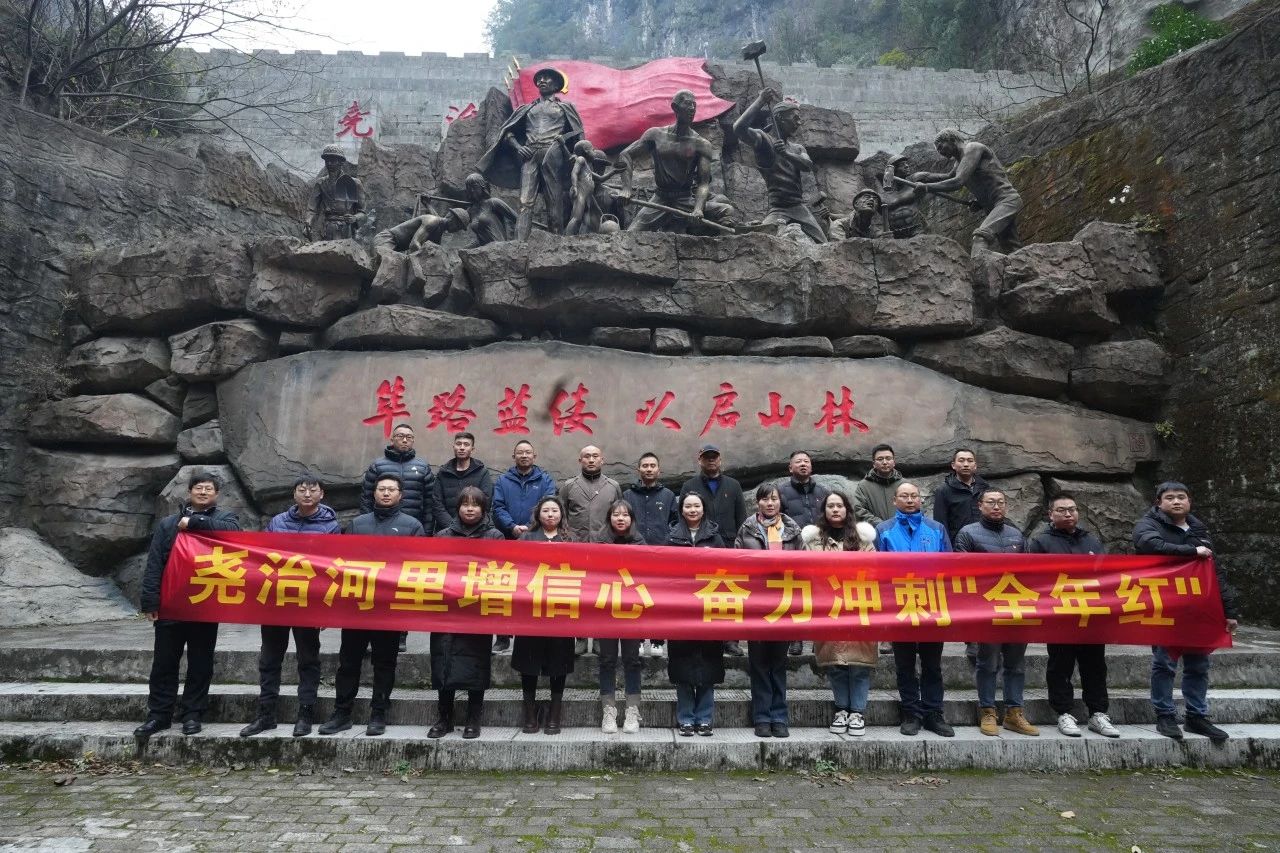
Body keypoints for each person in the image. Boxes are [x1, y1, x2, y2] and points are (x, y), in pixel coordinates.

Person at [134, 470, 242, 737]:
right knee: (164, 663)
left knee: (200, 663)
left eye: (208, 489)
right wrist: (150, 601)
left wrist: (194, 523)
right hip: (171, 603)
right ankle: (158, 715)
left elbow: (233, 534)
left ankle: (193, 714)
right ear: (189, 492)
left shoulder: (226, 519)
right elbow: (155, 563)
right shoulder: (168, 524)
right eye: (198, 488)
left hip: (204, 604)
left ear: (216, 495)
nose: (203, 492)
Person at [318, 473, 424, 737]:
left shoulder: (412, 526)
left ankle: (379, 713)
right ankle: (342, 713)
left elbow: (419, 564)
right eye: (381, 489)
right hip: (357, 606)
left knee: (385, 663)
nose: (386, 493)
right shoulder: (357, 523)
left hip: (389, 609)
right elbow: (342, 562)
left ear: (401, 495)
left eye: (391, 490)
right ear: (373, 493)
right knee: (348, 662)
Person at [1134, 481, 1239, 742]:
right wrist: (1192, 551)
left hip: (1198, 609)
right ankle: (1165, 714)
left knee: (1198, 664)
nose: (1176, 502)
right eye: (1169, 498)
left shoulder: (1199, 528)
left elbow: (1215, 571)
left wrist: (1229, 610)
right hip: (1164, 605)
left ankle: (1196, 716)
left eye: (1181, 497)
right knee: (1164, 662)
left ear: (1190, 501)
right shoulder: (1148, 525)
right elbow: (1152, 546)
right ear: (1159, 502)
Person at [240, 474, 340, 739]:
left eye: (312, 490)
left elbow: (332, 568)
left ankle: (305, 714)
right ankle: (266, 714)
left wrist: (324, 608)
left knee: (308, 659)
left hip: (308, 602)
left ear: (321, 494)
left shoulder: (331, 526)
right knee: (270, 658)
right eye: (302, 490)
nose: (307, 494)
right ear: (294, 494)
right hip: (276, 601)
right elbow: (262, 558)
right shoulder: (277, 522)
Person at [1027, 492, 1119, 739]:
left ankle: (1098, 713)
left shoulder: (1091, 540)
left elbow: (1106, 573)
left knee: (1095, 666)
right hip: (1059, 615)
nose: (1068, 514)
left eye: (1072, 509)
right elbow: (1031, 578)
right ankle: (1064, 713)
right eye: (1062, 510)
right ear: (1050, 514)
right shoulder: (1040, 542)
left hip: (1090, 614)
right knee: (1060, 665)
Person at [955, 489, 1038, 737]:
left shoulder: (1016, 535)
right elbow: (960, 570)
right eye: (991, 502)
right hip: (985, 609)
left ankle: (1014, 713)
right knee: (987, 663)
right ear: (980, 505)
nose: (996, 506)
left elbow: (1028, 571)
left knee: (1016, 664)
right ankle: (988, 711)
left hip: (1015, 608)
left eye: (1001, 502)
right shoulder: (967, 533)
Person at [876, 481, 954, 738]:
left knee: (933, 664)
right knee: (904, 664)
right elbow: (876, 570)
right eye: (904, 496)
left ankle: (934, 713)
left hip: (932, 604)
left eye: (914, 496)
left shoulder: (936, 529)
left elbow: (950, 567)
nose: (910, 500)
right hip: (899, 606)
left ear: (921, 500)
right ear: (895, 500)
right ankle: (910, 712)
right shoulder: (884, 530)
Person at [477, 66, 584, 240]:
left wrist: (578, 159)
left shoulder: (565, 107)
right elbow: (507, 132)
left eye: (546, 77)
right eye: (539, 78)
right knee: (524, 201)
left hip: (553, 153)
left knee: (554, 200)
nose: (541, 80)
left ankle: (556, 242)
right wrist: (518, 147)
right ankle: (520, 243)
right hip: (530, 155)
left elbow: (579, 136)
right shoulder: (526, 109)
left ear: (556, 84)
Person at [429, 486, 502, 740]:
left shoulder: (494, 537)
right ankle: (444, 717)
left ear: (483, 509)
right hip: (446, 611)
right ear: (457, 507)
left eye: (475, 504)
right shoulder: (442, 536)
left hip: (478, 611)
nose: (470, 509)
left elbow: (500, 574)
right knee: (443, 662)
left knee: (476, 664)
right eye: (465, 504)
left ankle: (474, 717)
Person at [802, 491, 878, 736]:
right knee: (835, 663)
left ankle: (857, 712)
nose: (835, 510)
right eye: (831, 506)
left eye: (840, 506)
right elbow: (806, 571)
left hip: (858, 607)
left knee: (859, 663)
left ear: (847, 510)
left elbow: (875, 569)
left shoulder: (864, 541)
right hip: (828, 609)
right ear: (824, 511)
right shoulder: (813, 542)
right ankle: (841, 709)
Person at [616, 89, 737, 234]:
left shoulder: (701, 144)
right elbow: (625, 155)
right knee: (630, 235)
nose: (692, 108)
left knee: (726, 210)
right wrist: (626, 188)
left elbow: (703, 183)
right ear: (675, 107)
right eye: (688, 104)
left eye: (694, 105)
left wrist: (698, 209)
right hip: (660, 199)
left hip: (685, 200)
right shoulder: (656, 135)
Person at [735, 484, 803, 738]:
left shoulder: (793, 530)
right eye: (765, 499)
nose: (770, 503)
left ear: (780, 503)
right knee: (759, 663)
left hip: (783, 603)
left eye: (774, 499)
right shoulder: (747, 528)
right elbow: (736, 562)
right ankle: (762, 717)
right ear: (758, 503)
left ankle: (779, 716)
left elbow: (805, 566)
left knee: (778, 663)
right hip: (756, 604)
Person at [513, 496, 578, 734]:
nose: (550, 515)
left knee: (558, 663)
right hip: (531, 610)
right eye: (546, 511)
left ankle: (554, 713)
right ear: (538, 514)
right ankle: (530, 713)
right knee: (528, 662)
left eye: (555, 511)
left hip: (561, 610)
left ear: (561, 514)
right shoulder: (526, 538)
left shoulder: (571, 540)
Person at [732, 88, 826, 243]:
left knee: (823, 243)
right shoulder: (763, 139)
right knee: (762, 243)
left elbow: (807, 165)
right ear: (780, 118)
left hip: (799, 207)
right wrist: (761, 100)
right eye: (795, 118)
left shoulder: (797, 148)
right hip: (778, 208)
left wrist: (786, 154)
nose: (799, 122)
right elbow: (738, 129)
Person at [665, 492, 724, 736]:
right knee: (683, 667)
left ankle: (705, 718)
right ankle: (686, 718)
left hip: (709, 609)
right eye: (687, 506)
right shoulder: (671, 537)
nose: (692, 510)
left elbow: (725, 570)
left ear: (703, 509)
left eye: (696, 506)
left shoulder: (715, 536)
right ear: (681, 509)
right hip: (680, 611)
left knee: (708, 666)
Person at [909, 129, 1023, 254]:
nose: (940, 152)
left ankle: (978, 270)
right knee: (1012, 248)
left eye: (941, 146)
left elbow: (957, 181)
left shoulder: (973, 148)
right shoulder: (958, 164)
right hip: (993, 207)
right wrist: (922, 177)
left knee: (980, 237)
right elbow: (948, 177)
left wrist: (927, 187)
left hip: (1006, 201)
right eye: (938, 150)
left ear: (951, 139)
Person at [680, 444, 747, 655]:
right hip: (698, 546)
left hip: (728, 545)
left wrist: (740, 547)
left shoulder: (733, 485)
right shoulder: (689, 485)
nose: (711, 461)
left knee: (729, 593)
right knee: (701, 591)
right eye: (706, 457)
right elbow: (681, 516)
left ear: (720, 460)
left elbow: (741, 519)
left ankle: (731, 639)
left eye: (714, 457)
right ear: (699, 460)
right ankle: (701, 633)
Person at [491, 439, 557, 653]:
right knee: (505, 588)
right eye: (520, 452)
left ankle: (529, 631)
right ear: (514, 456)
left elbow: (549, 505)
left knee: (532, 588)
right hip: (508, 540)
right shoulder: (503, 480)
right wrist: (512, 527)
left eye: (528, 452)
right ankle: (502, 636)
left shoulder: (545, 480)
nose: (524, 456)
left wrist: (531, 528)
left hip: (536, 542)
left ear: (534, 456)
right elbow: (498, 507)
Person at [559, 444, 623, 657]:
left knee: (600, 595)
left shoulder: (613, 486)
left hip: (604, 548)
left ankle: (597, 636)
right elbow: (562, 516)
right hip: (575, 549)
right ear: (580, 461)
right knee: (578, 595)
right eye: (587, 456)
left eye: (595, 456)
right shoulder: (569, 486)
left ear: (602, 460)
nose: (591, 460)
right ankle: (579, 636)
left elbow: (619, 515)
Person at [593, 500, 648, 734]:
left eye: (625, 514)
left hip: (632, 609)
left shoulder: (640, 541)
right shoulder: (598, 540)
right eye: (616, 514)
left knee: (632, 659)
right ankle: (609, 710)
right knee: (606, 659)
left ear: (632, 518)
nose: (621, 518)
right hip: (605, 608)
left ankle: (632, 710)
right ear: (609, 517)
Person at [622, 452, 676, 658]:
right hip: (633, 554)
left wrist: (667, 541)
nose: (649, 469)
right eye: (645, 465)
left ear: (659, 470)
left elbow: (674, 522)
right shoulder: (627, 496)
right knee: (634, 597)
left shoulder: (669, 495)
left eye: (653, 465)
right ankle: (636, 639)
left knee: (657, 599)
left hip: (659, 554)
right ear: (639, 470)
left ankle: (656, 639)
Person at [360, 422, 440, 534]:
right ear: (392, 440)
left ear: (413, 441)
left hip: (414, 527)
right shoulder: (377, 466)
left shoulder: (423, 467)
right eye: (400, 436)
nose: (405, 440)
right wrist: (366, 526)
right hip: (380, 527)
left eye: (409, 437)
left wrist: (426, 531)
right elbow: (366, 499)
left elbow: (429, 503)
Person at [432, 432, 494, 532]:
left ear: (472, 449)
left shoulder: (482, 472)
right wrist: (452, 527)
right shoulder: (443, 473)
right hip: (447, 530)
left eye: (466, 444)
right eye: (458, 444)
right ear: (453, 447)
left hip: (476, 531)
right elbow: (437, 503)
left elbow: (485, 502)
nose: (461, 447)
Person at [306, 144, 364, 241]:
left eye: (333, 160)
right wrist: (308, 222)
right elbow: (312, 209)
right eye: (327, 161)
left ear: (341, 162)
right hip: (327, 229)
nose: (329, 163)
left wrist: (355, 218)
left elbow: (363, 213)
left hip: (347, 229)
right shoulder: (320, 183)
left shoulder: (354, 183)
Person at [932, 448, 989, 547]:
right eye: (961, 460)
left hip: (985, 544)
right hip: (958, 545)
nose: (966, 464)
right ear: (953, 465)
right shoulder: (944, 490)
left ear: (975, 466)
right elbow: (940, 523)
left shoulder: (985, 488)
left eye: (970, 461)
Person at [852, 444, 903, 528]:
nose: (885, 462)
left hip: (902, 533)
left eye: (888, 458)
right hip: (875, 534)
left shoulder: (904, 485)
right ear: (874, 464)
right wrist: (881, 525)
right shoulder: (864, 486)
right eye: (880, 459)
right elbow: (858, 510)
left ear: (894, 462)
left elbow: (916, 508)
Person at [778, 450, 830, 530]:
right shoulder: (781, 492)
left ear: (811, 467)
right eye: (798, 461)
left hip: (822, 538)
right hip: (794, 539)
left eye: (806, 461)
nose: (803, 464)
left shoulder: (823, 491)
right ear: (790, 468)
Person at [462, 171, 517, 247]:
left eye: (474, 187)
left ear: (482, 186)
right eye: (469, 188)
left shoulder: (493, 203)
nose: (472, 190)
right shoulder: (471, 210)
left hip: (499, 249)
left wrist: (516, 243)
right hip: (485, 252)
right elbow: (481, 238)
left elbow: (518, 219)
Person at [880, 153, 928, 239]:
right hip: (895, 234)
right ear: (893, 170)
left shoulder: (914, 179)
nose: (907, 166)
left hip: (916, 229)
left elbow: (948, 176)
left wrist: (926, 187)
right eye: (902, 165)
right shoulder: (885, 194)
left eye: (907, 163)